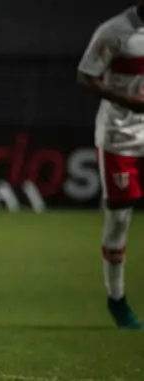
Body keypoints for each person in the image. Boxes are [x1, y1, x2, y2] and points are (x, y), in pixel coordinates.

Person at [77, 1, 144, 330]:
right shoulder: (114, 32)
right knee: (119, 220)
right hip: (120, 137)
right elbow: (85, 76)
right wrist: (126, 100)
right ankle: (116, 300)